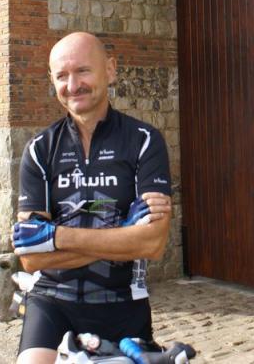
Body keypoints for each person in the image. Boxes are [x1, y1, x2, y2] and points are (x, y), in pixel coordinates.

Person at [12, 32, 173, 364]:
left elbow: (152, 243)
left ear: (110, 70)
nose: (73, 85)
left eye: (83, 71)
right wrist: (124, 235)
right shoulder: (39, 149)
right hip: (51, 302)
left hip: (123, 302)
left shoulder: (144, 141)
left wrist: (54, 237)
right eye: (62, 75)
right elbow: (31, 258)